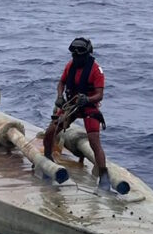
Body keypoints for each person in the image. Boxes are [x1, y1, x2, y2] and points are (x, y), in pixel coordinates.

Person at [42, 37, 111, 189]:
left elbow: (99, 95)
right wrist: (60, 97)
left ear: (87, 54)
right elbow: (61, 83)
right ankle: (47, 160)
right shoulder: (70, 66)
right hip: (71, 105)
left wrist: (87, 99)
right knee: (50, 132)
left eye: (79, 55)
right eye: (74, 55)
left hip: (88, 107)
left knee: (94, 141)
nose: (76, 58)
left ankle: (104, 176)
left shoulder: (96, 71)